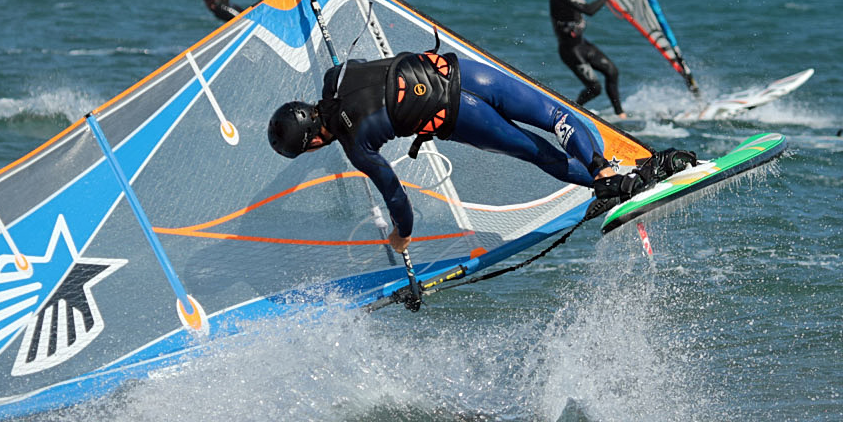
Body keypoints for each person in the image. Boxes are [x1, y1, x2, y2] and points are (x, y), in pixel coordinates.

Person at [267, 51, 695, 252]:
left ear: (314, 143)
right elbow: (359, 74)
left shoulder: (356, 146)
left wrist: (402, 237)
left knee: (537, 153)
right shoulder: (334, 73)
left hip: (456, 114)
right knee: (554, 116)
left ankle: (618, 183)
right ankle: (608, 167)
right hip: (460, 70)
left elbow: (398, 199)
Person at [550, 0, 627, 119]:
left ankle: (620, 115)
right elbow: (589, 10)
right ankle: (572, 112)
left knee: (612, 71)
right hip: (570, 50)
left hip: (581, 44)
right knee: (595, 88)